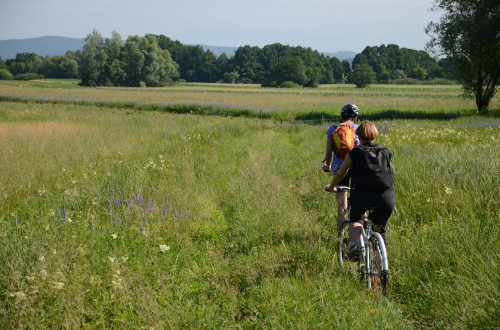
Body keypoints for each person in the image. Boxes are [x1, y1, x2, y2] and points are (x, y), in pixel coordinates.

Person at [325, 120, 395, 260]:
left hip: (362, 195)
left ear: (358, 136)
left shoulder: (355, 152)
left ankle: (355, 244)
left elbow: (340, 173)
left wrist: (331, 186)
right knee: (379, 231)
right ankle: (379, 269)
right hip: (386, 197)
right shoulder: (385, 151)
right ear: (374, 135)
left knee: (355, 218)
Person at [322, 104, 360, 231]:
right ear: (355, 118)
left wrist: (327, 166)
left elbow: (328, 153)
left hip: (339, 168)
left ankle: (341, 239)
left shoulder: (333, 129)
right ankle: (362, 227)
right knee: (360, 202)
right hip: (357, 168)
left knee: (342, 207)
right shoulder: (359, 129)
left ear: (342, 116)